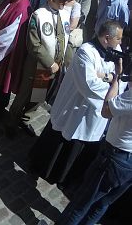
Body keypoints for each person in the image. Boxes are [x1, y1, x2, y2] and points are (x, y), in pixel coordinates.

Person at [30, 20, 126, 188]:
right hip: (73, 105)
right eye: (118, 38)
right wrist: (112, 82)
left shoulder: (116, 50)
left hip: (94, 112)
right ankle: (42, 168)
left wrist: (108, 77)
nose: (121, 42)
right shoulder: (86, 52)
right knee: (61, 135)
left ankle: (65, 178)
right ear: (107, 38)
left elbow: (120, 78)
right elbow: (89, 85)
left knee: (79, 144)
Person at [56, 54, 132, 225]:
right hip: (128, 162)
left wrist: (117, 79)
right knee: (102, 204)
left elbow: (107, 110)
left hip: (116, 157)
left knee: (81, 203)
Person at [6, 0, 72, 138]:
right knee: (24, 95)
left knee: (39, 96)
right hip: (37, 65)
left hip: (54, 67)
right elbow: (34, 44)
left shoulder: (64, 14)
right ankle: (11, 122)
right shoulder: (39, 15)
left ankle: (25, 118)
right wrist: (50, 63)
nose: (64, 3)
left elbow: (64, 39)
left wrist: (67, 61)